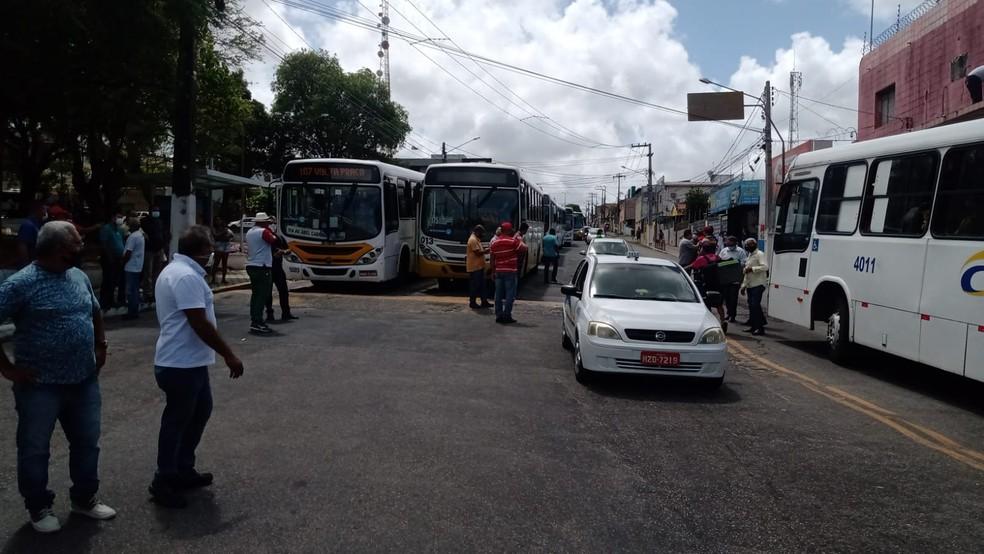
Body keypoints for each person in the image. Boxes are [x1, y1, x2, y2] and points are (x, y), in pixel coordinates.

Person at [0, 221, 116, 533]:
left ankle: (84, 499)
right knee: (35, 448)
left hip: (83, 380)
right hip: (40, 385)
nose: (82, 249)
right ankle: (38, 507)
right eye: (77, 245)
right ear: (58, 250)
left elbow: (94, 311)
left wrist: (101, 345)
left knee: (87, 443)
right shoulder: (21, 284)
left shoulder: (77, 275)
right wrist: (7, 368)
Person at [149, 225, 245, 509]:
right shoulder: (186, 276)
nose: (213, 253)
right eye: (210, 249)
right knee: (177, 421)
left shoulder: (178, 271)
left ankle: (182, 468)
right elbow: (198, 322)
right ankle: (164, 479)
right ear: (201, 251)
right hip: (180, 364)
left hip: (190, 362)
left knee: (199, 412)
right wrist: (229, 354)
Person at [244, 212, 277, 335]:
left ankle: (255, 319)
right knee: (262, 295)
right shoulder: (263, 231)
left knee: (256, 294)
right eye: (267, 221)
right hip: (262, 266)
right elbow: (273, 240)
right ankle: (257, 321)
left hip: (252, 265)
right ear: (263, 222)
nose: (269, 223)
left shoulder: (250, 232)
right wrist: (270, 229)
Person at [489, 222, 527, 324]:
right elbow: (524, 248)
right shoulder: (513, 241)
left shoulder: (494, 243)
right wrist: (519, 240)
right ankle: (507, 315)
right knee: (510, 295)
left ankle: (499, 315)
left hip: (498, 271)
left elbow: (492, 259)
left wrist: (492, 271)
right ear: (509, 230)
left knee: (498, 295)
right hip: (510, 271)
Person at [689, 239, 727, 331]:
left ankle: (709, 323)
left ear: (704, 250)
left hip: (704, 285)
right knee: (719, 305)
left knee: (706, 304)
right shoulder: (718, 258)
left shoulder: (701, 259)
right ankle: (723, 321)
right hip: (717, 285)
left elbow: (693, 266)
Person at [265, 217, 297, 322]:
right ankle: (269, 314)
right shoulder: (264, 237)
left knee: (283, 291)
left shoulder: (279, 237)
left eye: (273, 222)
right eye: (270, 223)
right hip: (268, 267)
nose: (272, 225)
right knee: (268, 293)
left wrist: (283, 252)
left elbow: (288, 249)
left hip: (278, 268)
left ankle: (286, 313)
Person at [741, 238, 769, 336]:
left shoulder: (760, 254)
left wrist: (753, 269)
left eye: (749, 244)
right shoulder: (750, 255)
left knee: (755, 305)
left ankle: (760, 328)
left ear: (754, 244)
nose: (747, 246)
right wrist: (743, 286)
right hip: (750, 284)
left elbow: (765, 267)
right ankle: (754, 326)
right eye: (746, 244)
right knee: (752, 306)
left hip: (758, 284)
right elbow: (746, 273)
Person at [99, 211, 126, 311]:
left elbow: (122, 243)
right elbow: (104, 244)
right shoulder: (106, 229)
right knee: (108, 280)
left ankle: (111, 300)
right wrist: (109, 257)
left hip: (118, 258)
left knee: (114, 281)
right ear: (112, 217)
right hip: (109, 258)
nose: (120, 219)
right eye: (118, 216)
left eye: (121, 217)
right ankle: (104, 302)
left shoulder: (119, 229)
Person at [719, 236, 748, 323]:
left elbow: (744, 262)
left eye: (732, 244)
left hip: (735, 277)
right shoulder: (724, 250)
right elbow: (719, 260)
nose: (730, 245)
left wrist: (732, 262)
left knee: (733, 298)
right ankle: (729, 313)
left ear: (735, 243)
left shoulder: (740, 251)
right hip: (725, 277)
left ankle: (733, 315)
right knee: (727, 298)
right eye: (728, 243)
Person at [121, 217, 145, 320]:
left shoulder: (132, 237)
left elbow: (128, 252)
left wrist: (123, 262)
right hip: (138, 265)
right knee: (135, 289)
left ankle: (132, 312)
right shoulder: (140, 235)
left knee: (131, 290)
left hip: (131, 266)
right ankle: (135, 310)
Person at [141, 207, 166, 299]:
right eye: (154, 211)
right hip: (149, 250)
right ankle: (147, 293)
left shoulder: (159, 221)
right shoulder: (145, 221)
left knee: (157, 272)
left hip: (159, 249)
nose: (156, 212)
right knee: (148, 273)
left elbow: (162, 233)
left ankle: (155, 292)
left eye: (157, 211)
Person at [466, 225, 491, 309]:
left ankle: (484, 301)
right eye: (481, 233)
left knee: (483, 285)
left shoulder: (477, 239)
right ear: (477, 231)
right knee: (475, 285)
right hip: (475, 267)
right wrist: (486, 251)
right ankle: (472, 302)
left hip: (479, 266)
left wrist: (484, 250)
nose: (482, 234)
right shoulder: (473, 240)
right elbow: (477, 253)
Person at [16, 202, 46, 267]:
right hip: (30, 265)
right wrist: (26, 265)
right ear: (37, 210)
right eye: (43, 210)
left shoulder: (38, 224)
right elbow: (22, 246)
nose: (44, 213)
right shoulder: (28, 225)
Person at [211, 217, 233, 285]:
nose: (219, 222)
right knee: (216, 262)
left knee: (224, 263)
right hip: (219, 244)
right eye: (217, 220)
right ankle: (213, 279)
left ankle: (223, 279)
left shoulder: (224, 228)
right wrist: (224, 233)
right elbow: (215, 236)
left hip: (226, 244)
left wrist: (226, 234)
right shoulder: (214, 228)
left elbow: (231, 235)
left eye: (220, 220)